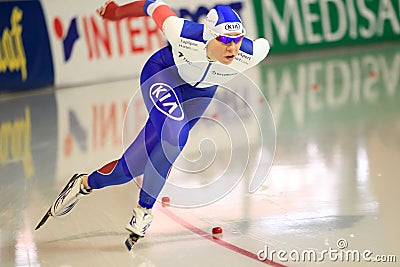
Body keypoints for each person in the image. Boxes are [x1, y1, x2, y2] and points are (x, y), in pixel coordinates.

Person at [48, 0, 270, 250]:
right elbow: (152, 5)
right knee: (176, 136)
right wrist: (116, 13)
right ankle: (144, 210)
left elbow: (264, 43)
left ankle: (83, 184)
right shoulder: (181, 32)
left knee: (129, 169)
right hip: (162, 75)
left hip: (198, 97)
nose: (232, 47)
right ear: (209, 37)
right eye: (225, 40)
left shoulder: (251, 52)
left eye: (237, 39)